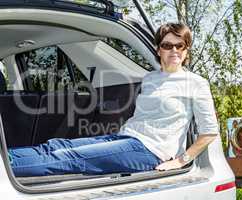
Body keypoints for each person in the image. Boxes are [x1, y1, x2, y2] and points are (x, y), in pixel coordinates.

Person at [9, 23, 219, 177]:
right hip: (127, 137)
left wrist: (180, 161)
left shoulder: (196, 83)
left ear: (186, 50)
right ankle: (5, 158)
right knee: (56, 146)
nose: (174, 50)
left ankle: (5, 169)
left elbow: (209, 131)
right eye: (167, 45)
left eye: (179, 45)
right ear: (158, 50)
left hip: (151, 151)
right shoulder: (150, 78)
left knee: (68, 157)